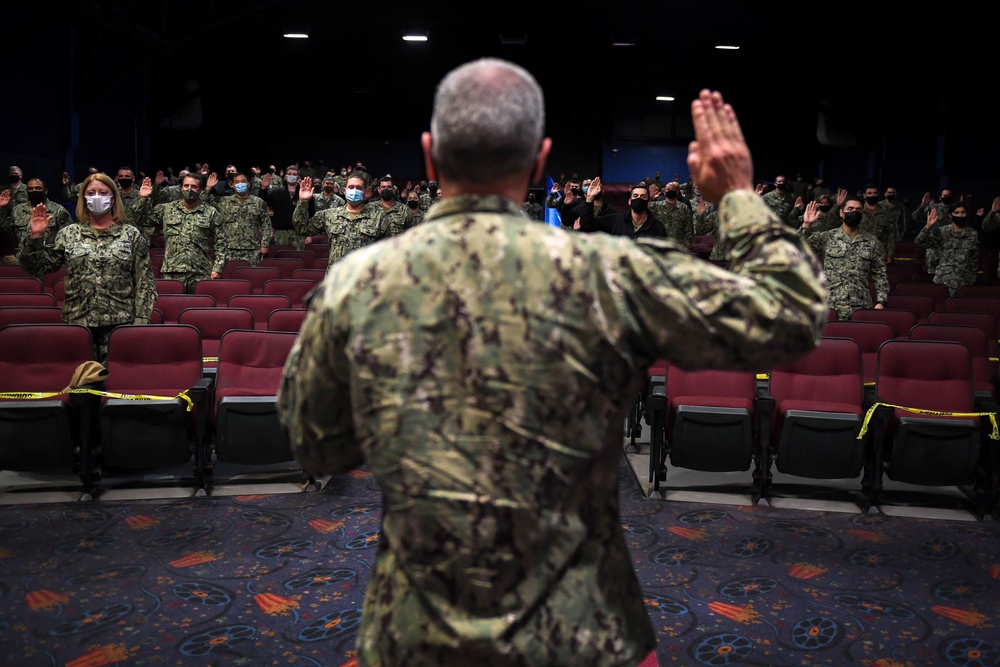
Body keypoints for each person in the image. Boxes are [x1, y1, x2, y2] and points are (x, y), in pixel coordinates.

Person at [276, 58, 826, 667]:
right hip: (584, 633)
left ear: (429, 157)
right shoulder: (610, 273)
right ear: (540, 160)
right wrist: (739, 198)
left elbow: (316, 447)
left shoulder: (357, 283)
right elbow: (792, 316)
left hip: (418, 634)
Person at [18, 173, 156, 363]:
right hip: (77, 323)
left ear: (113, 197)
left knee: (116, 383)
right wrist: (35, 237)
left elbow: (145, 284)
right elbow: (38, 268)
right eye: (91, 193)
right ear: (83, 198)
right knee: (80, 384)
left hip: (119, 324)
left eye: (102, 192)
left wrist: (141, 324)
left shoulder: (130, 235)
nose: (97, 196)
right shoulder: (69, 233)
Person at [799, 196, 888, 320]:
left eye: (858, 210)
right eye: (850, 209)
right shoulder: (827, 237)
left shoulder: (872, 242)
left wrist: (881, 301)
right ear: (841, 212)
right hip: (831, 305)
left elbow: (880, 274)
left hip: (860, 306)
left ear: (862, 214)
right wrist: (806, 224)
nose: (854, 212)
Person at [136, 172, 222, 292]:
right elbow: (141, 220)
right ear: (181, 188)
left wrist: (217, 268)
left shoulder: (211, 212)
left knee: (199, 306)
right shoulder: (166, 209)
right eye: (186, 186)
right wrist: (143, 199)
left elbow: (222, 242)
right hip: (173, 270)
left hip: (200, 271)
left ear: (201, 190)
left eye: (194, 187)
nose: (189, 189)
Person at [292, 172, 390, 265]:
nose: (354, 190)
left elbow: (387, 250)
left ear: (365, 192)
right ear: (345, 190)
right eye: (351, 187)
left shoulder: (379, 217)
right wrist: (303, 201)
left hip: (365, 278)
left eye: (359, 188)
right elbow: (302, 228)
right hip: (337, 278)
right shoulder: (329, 215)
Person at [915, 202, 978, 296]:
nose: (960, 215)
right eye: (956, 213)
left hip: (965, 281)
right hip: (944, 279)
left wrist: (973, 279)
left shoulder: (972, 233)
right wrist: (928, 227)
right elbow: (919, 242)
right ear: (950, 215)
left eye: (963, 212)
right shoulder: (941, 231)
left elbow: (974, 258)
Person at [213, 172, 272, 269]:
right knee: (229, 278)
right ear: (232, 185)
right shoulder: (224, 202)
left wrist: (265, 245)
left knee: (251, 277)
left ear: (248, 184)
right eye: (237, 182)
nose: (240, 184)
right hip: (229, 248)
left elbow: (267, 225)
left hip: (252, 249)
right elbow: (203, 203)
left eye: (243, 181)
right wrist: (207, 188)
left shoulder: (258, 202)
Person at [0, 177, 73, 253]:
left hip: (49, 260)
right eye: (30, 189)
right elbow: (4, 230)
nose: (34, 191)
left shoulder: (58, 210)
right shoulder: (17, 210)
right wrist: (0, 208)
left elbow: (69, 237)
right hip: (23, 258)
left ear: (45, 191)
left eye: (38, 188)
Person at [579, 179, 667, 239]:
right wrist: (589, 198)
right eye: (635, 196)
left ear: (648, 202)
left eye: (643, 196)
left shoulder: (658, 227)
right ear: (629, 201)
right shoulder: (614, 221)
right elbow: (587, 226)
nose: (639, 198)